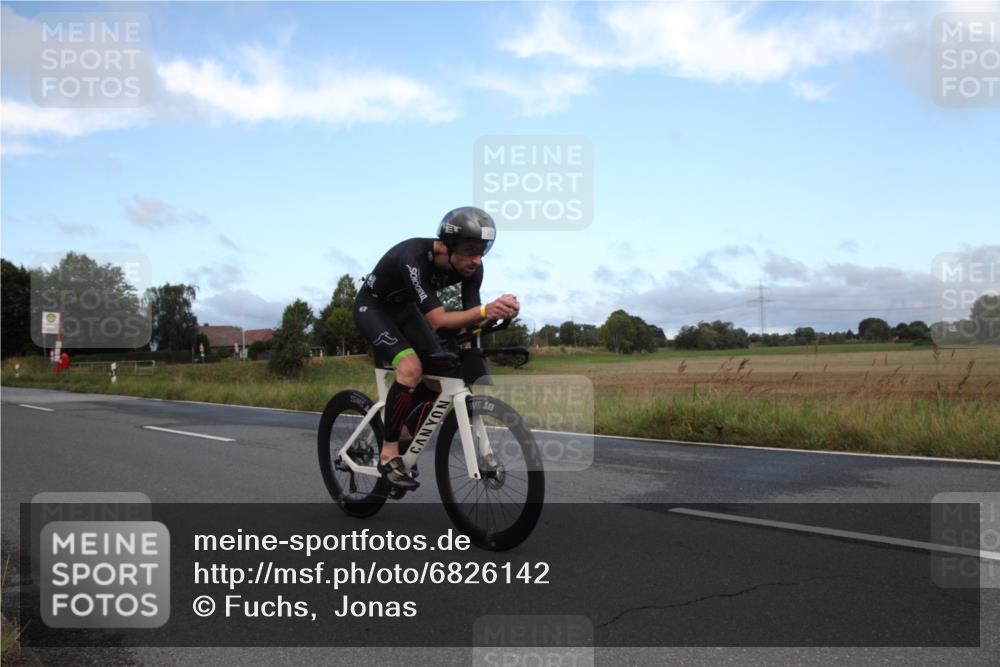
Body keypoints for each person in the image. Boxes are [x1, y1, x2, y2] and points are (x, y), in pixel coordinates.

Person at [353, 206, 519, 489]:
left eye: (482, 251)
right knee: (410, 367)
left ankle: (405, 433)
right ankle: (388, 452)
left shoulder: (472, 269)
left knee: (440, 373)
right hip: (374, 307)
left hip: (404, 310)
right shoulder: (413, 259)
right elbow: (440, 321)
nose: (476, 260)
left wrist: (497, 315)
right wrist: (484, 311)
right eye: (469, 250)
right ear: (445, 245)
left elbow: (468, 319)